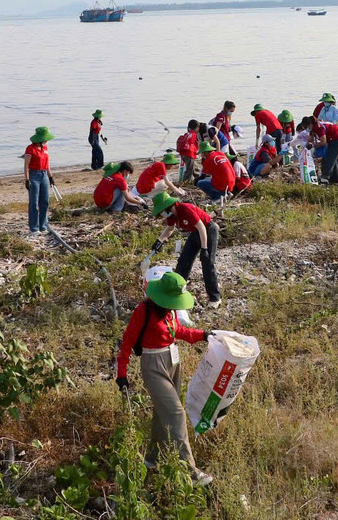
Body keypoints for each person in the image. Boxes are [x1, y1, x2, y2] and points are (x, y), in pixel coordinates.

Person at [114, 271, 213, 486]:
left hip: (172, 362)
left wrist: (204, 335)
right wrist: (121, 373)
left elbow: (177, 330)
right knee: (176, 413)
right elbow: (127, 342)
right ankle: (191, 472)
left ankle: (152, 459)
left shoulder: (169, 312)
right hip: (153, 365)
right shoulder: (143, 310)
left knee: (162, 413)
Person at [148, 192, 221, 307]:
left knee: (207, 263)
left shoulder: (184, 209)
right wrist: (160, 240)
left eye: (162, 211)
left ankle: (215, 298)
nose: (162, 214)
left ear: (168, 207)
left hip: (207, 230)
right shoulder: (172, 215)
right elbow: (170, 229)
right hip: (195, 233)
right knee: (184, 261)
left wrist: (204, 248)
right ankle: (175, 292)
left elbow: (201, 227)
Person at [23, 126, 55, 233]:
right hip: (34, 175)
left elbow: (47, 165)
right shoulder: (30, 149)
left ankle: (43, 226)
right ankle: (34, 228)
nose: (46, 140)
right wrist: (27, 180)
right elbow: (26, 166)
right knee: (34, 203)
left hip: (44, 175)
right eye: (45, 138)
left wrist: (51, 177)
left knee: (45, 202)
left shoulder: (45, 148)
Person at [302, 115, 338, 185]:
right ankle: (335, 179)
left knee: (329, 159)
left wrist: (314, 145)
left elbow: (323, 142)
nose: (306, 129)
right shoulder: (313, 128)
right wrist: (306, 146)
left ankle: (325, 177)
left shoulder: (318, 128)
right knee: (334, 159)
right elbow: (310, 139)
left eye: (306, 127)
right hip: (333, 140)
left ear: (310, 124)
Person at [175, 120, 201, 184]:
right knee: (189, 170)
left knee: (194, 168)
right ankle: (185, 182)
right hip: (189, 154)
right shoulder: (193, 134)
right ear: (196, 127)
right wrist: (198, 151)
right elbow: (194, 144)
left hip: (183, 154)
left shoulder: (187, 134)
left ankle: (197, 179)